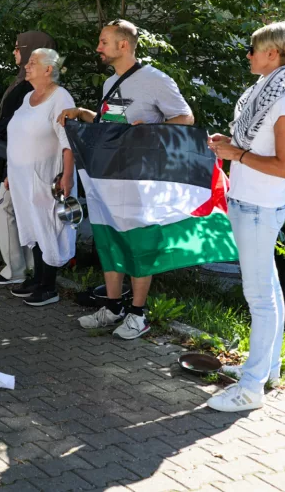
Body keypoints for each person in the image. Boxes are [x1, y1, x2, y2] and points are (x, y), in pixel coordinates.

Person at [58, 19, 195, 339]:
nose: (98, 48)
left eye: (104, 42)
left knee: (139, 244)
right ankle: (113, 306)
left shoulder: (155, 80)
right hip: (110, 178)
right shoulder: (109, 84)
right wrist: (81, 113)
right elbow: (109, 126)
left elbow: (185, 118)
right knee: (111, 240)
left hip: (141, 179)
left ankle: (138, 313)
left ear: (123, 45)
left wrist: (147, 133)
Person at [205, 22, 285, 412]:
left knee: (259, 296)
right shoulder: (264, 92)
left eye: (254, 48)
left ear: (274, 53)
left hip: (260, 206)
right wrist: (231, 147)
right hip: (248, 200)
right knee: (268, 288)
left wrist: (238, 155)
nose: (248, 54)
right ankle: (271, 369)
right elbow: (255, 147)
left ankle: (250, 388)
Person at [6, 48, 77, 306]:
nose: (27, 66)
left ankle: (49, 286)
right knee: (33, 226)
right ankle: (37, 278)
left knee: (50, 226)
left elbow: (68, 141)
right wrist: (9, 173)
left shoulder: (61, 98)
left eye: (33, 62)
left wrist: (67, 175)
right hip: (23, 178)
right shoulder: (29, 97)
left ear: (49, 69)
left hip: (48, 177)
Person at [0, 32, 54, 286]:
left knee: (6, 209)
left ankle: (16, 268)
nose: (15, 53)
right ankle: (22, 267)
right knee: (15, 211)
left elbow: (21, 125)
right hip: (14, 159)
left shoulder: (35, 88)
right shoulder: (23, 83)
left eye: (18, 48)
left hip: (24, 163)